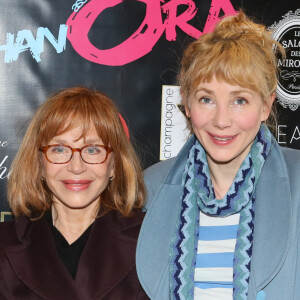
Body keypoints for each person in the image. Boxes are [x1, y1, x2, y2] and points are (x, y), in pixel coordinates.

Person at [136, 12, 300, 300]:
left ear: (265, 105)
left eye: (239, 100)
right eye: (206, 99)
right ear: (186, 103)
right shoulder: (150, 188)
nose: (221, 120)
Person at [0, 87, 149, 299]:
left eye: (92, 150)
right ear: (39, 164)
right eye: (59, 150)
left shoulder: (150, 240)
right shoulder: (5, 244)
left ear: (114, 165)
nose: (76, 167)